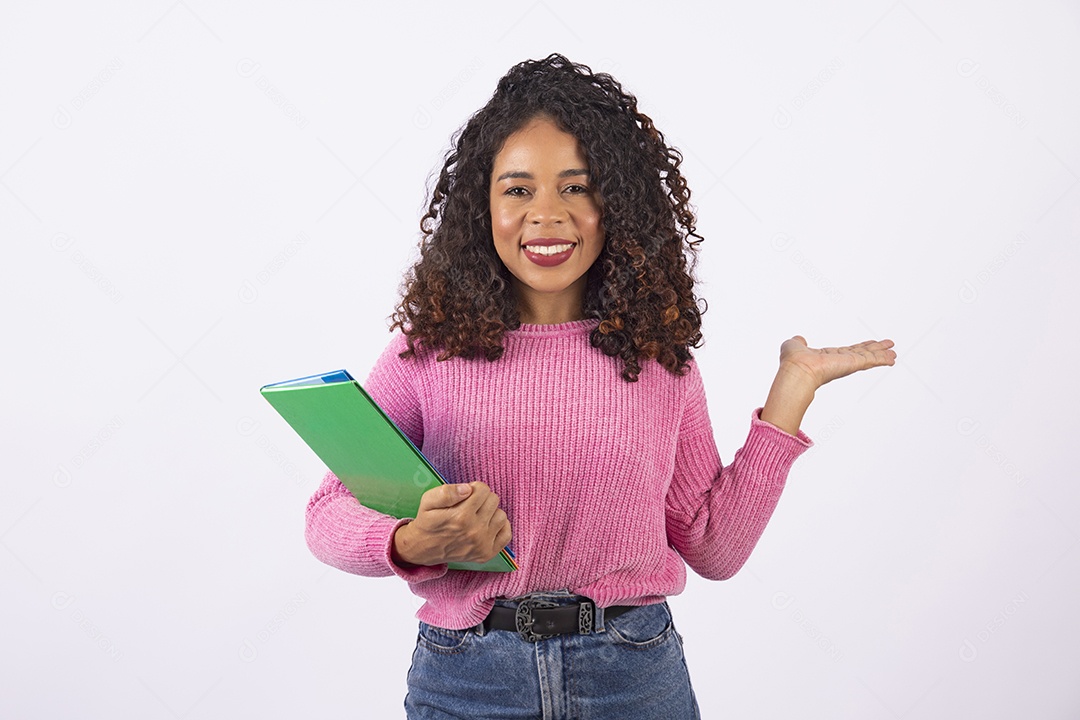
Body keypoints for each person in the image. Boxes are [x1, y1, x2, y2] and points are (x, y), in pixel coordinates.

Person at [305, 54, 896, 719]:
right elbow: (327, 515)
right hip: (466, 682)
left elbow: (713, 545)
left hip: (634, 678)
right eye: (519, 189)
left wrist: (791, 395)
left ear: (615, 205)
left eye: (577, 187)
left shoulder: (657, 361)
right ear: (482, 207)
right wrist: (411, 543)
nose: (547, 215)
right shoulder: (427, 353)